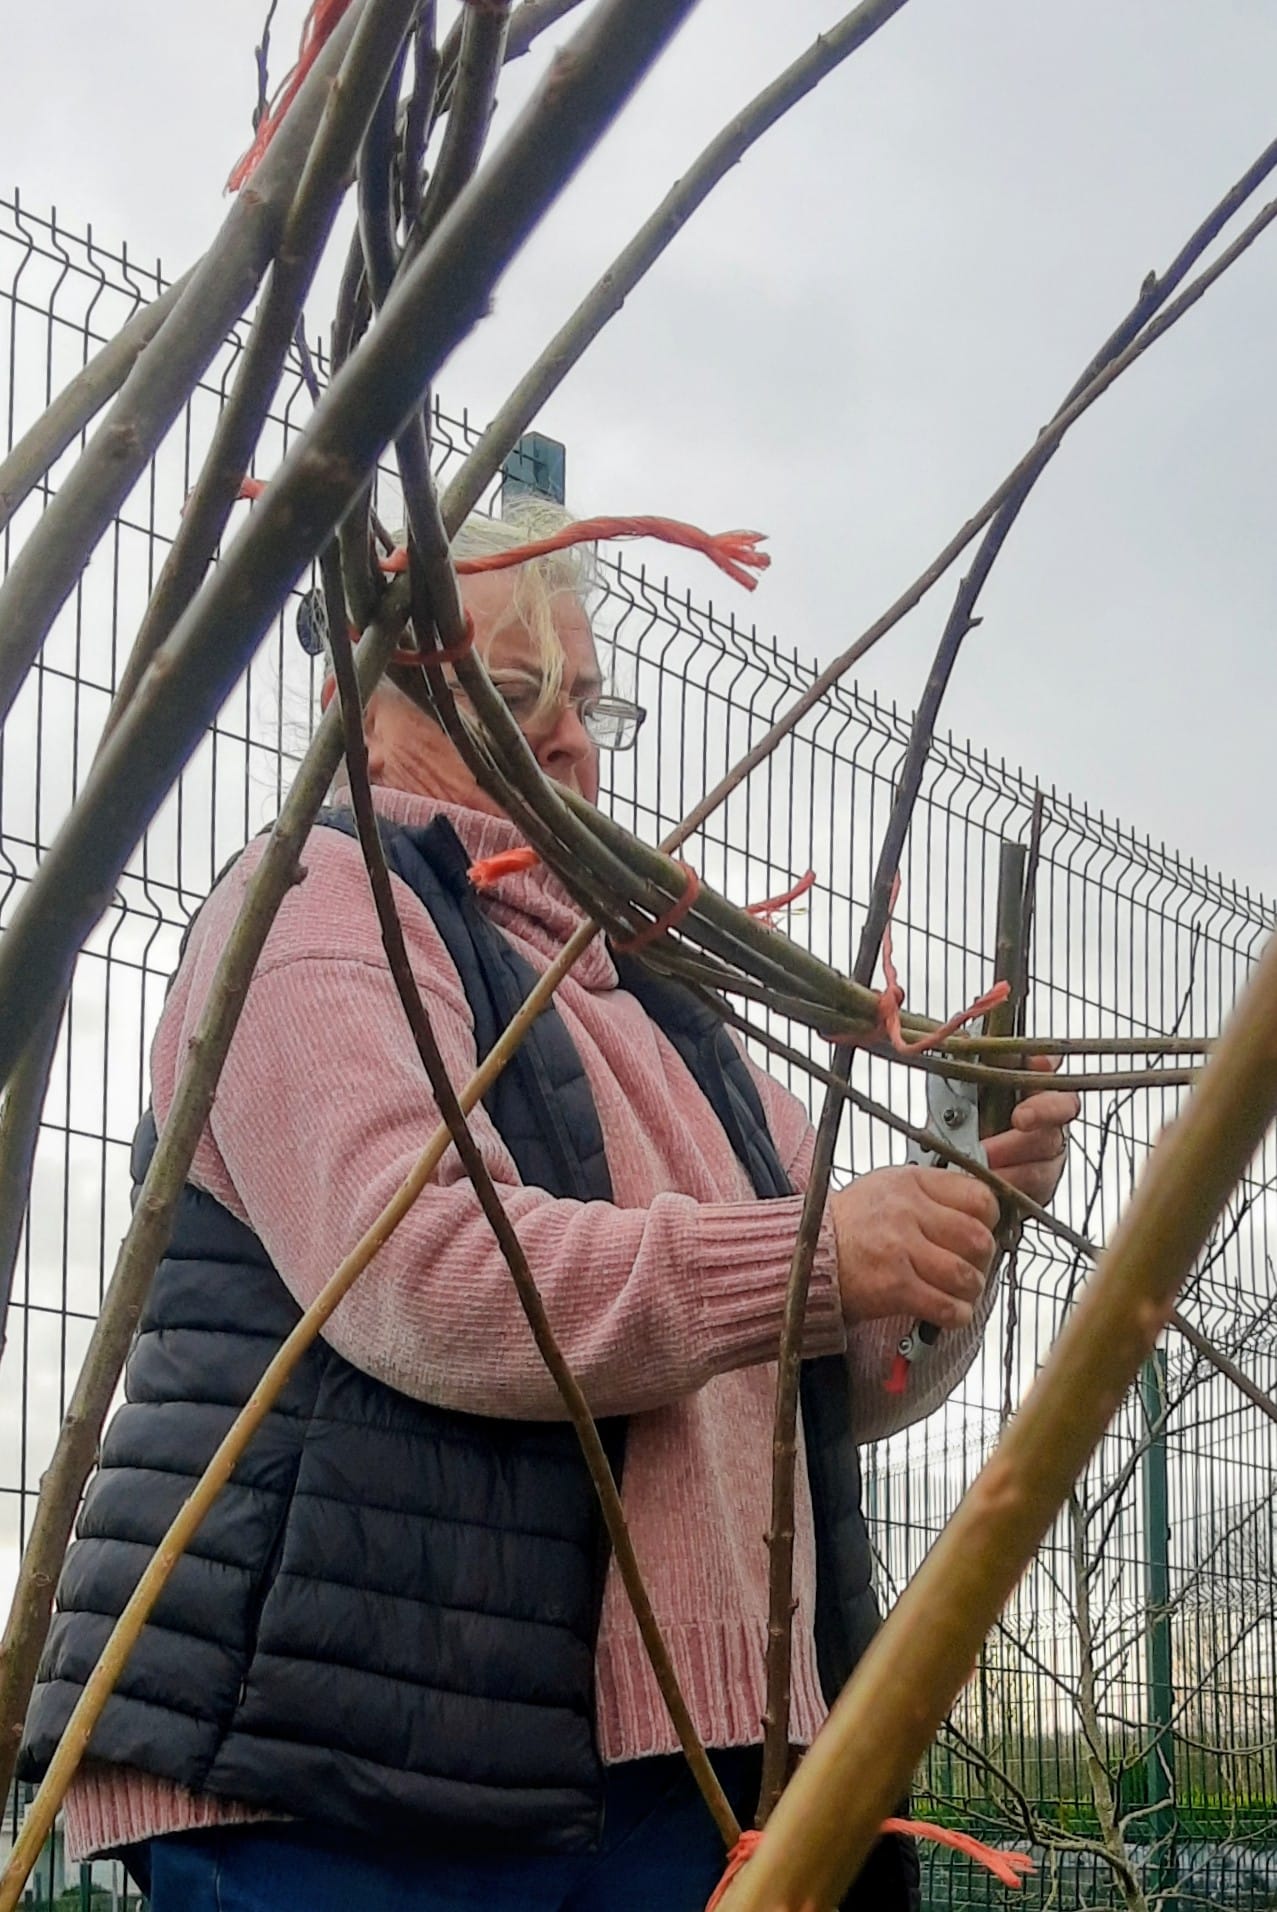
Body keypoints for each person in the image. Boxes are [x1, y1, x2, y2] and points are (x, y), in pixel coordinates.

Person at [20, 508, 1077, 1911]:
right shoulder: (320, 910)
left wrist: (956, 1226)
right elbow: (419, 1271)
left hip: (681, 1758)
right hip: (356, 1767)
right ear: (358, 704)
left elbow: (832, 1364)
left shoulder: (653, 997)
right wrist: (823, 1253)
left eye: (585, 701)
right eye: (512, 695)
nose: (566, 742)